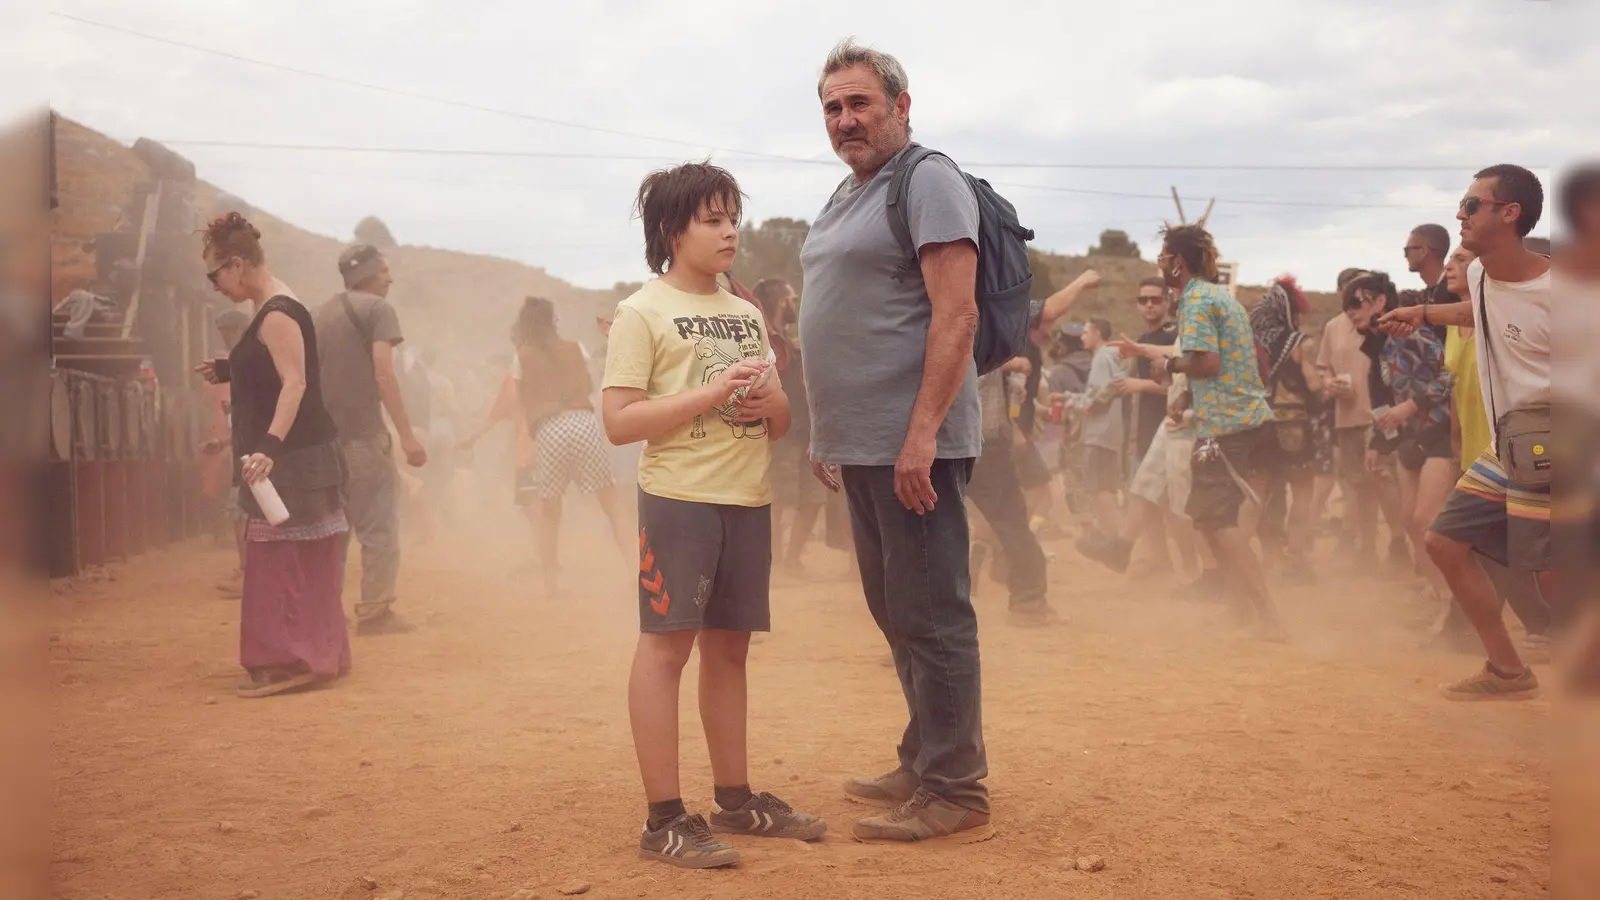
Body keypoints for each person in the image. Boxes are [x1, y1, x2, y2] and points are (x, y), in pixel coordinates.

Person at [798, 39, 994, 845]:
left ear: (901, 106)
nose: (845, 119)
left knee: (931, 612)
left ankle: (956, 789)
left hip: (914, 446)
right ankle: (924, 759)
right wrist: (829, 429)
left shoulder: (928, 180)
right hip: (864, 443)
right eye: (832, 107)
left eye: (860, 103)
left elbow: (957, 314)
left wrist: (922, 436)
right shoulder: (849, 192)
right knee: (896, 608)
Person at [602, 162, 823, 869]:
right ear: (673, 230)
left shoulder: (746, 313)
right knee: (666, 650)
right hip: (679, 502)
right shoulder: (642, 312)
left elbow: (779, 421)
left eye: (734, 218)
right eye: (713, 219)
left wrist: (770, 404)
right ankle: (664, 820)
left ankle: (735, 799)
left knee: (730, 651)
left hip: (746, 500)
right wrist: (709, 394)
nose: (730, 232)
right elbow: (618, 422)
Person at [1380, 163, 1551, 700]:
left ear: (1510, 212)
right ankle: (1507, 669)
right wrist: (1421, 312)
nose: (1460, 214)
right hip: (1508, 449)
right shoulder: (1479, 276)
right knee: (1444, 540)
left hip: (1562, 445)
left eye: (1472, 205)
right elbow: (1474, 310)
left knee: (1557, 570)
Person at [194, 213, 350, 698]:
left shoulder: (277, 312)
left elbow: (295, 382)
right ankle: (310, 652)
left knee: (285, 562)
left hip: (293, 461)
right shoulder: (270, 306)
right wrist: (231, 368)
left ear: (237, 264)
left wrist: (268, 447)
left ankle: (292, 660)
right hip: (296, 458)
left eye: (215, 275)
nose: (215, 286)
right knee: (295, 558)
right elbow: (275, 364)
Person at [1152, 224, 1286, 640]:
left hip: (1228, 428)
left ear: (1177, 262)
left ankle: (1268, 618)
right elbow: (1223, 361)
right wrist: (1185, 396)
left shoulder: (1195, 301)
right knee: (1215, 522)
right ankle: (1242, 612)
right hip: (1243, 422)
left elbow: (1207, 362)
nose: (1159, 264)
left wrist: (1169, 366)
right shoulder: (1218, 297)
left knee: (1218, 523)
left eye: (1162, 257)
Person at [463, 297, 629, 593]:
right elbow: (590, 386)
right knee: (612, 506)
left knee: (551, 513)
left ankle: (550, 583)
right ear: (553, 320)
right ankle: (635, 570)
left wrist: (477, 434)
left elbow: (517, 397)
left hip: (549, 430)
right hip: (583, 423)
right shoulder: (576, 348)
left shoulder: (522, 357)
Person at [311, 244, 427, 636]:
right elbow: (384, 374)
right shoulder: (378, 310)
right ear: (366, 274)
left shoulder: (319, 313)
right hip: (363, 438)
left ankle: (326, 612)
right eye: (383, 271)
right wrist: (407, 437)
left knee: (334, 530)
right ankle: (375, 612)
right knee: (379, 527)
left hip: (325, 443)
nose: (389, 278)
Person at [1316, 269, 1407, 569]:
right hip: (1346, 416)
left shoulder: (1383, 325)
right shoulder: (1334, 327)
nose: (1351, 306)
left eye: (1355, 297)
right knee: (1359, 486)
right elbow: (1323, 367)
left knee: (1384, 480)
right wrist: (1329, 384)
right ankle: (1367, 550)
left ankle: (1399, 542)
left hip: (1381, 416)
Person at [1250, 276, 1324, 579]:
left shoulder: (1251, 344)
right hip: (1294, 428)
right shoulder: (1299, 343)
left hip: (1258, 425)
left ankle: (1263, 556)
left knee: (1261, 493)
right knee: (1302, 491)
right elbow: (1314, 383)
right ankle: (1295, 555)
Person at [751, 277, 824, 575]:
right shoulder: (764, 340)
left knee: (814, 497)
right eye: (792, 300)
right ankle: (774, 563)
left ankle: (791, 559)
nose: (796, 305)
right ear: (782, 302)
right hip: (781, 434)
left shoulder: (787, 342)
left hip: (807, 432)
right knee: (777, 500)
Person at [1066, 317, 1127, 558]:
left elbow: (1102, 394)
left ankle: (1113, 538)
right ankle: (1113, 536)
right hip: (1110, 431)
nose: (1082, 337)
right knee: (1106, 486)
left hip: (1099, 432)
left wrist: (1081, 405)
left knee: (1099, 488)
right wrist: (1075, 399)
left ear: (1097, 334)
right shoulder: (1111, 357)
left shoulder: (1102, 357)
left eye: (1086, 332)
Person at [200, 307, 250, 597]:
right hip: (244, 450)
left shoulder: (249, 362)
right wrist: (222, 443)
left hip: (253, 454)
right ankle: (248, 571)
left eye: (227, 333)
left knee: (241, 513)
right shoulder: (243, 362)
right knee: (241, 513)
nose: (225, 338)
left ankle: (247, 573)